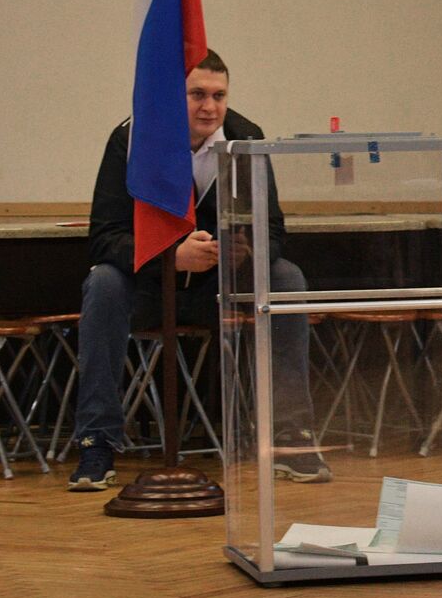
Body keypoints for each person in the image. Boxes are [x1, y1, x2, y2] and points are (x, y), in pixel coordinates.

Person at [68, 50, 329, 490]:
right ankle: (97, 441)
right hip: (147, 290)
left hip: (217, 286)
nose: (210, 107)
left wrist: (248, 252)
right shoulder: (132, 138)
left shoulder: (247, 137)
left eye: (219, 95)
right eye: (197, 95)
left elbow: (275, 229)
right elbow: (105, 236)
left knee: (287, 277)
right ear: (173, 97)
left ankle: (292, 437)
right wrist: (170, 256)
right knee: (102, 281)